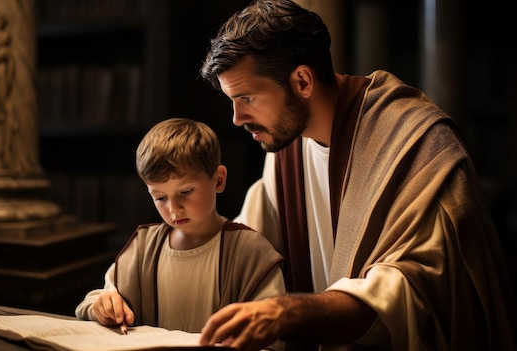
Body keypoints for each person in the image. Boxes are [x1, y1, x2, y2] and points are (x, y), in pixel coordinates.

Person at [197, 0, 517, 350]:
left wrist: (292, 313)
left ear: (302, 81)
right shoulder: (287, 143)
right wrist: (130, 285)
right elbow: (241, 248)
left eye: (247, 98)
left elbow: (415, 288)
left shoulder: (415, 141)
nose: (236, 118)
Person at [75, 118, 285, 339]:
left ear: (219, 180)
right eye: (160, 197)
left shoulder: (250, 251)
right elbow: (96, 300)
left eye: (185, 192)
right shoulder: (143, 248)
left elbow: (273, 331)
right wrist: (102, 307)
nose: (174, 209)